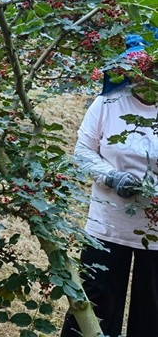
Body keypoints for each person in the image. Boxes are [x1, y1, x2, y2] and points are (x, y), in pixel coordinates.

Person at [61, 34, 158, 337]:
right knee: (95, 303)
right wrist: (112, 176)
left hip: (154, 233)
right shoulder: (108, 103)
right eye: (141, 70)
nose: (147, 77)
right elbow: (83, 152)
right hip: (107, 226)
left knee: (152, 311)